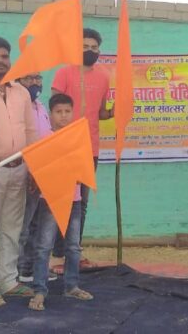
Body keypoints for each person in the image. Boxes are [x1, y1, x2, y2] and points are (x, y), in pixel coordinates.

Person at [0, 37, 38, 301]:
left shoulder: (22, 92)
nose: (0, 61)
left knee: (13, 227)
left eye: (5, 56)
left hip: (20, 166)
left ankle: (8, 280)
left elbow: (30, 130)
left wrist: (34, 167)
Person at [50, 28, 112, 265]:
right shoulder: (64, 73)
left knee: (81, 204)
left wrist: (119, 110)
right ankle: (57, 253)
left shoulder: (104, 76)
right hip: (64, 147)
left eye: (94, 47)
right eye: (85, 46)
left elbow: (102, 113)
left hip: (91, 148)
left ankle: (72, 252)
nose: (90, 50)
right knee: (61, 201)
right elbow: (55, 108)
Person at [28, 93, 94, 311]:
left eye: (67, 111)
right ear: (51, 113)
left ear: (72, 112)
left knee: (73, 246)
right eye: (59, 112)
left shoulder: (78, 137)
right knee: (43, 246)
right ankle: (39, 289)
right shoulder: (45, 138)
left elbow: (84, 167)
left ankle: (72, 286)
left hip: (74, 199)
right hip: (50, 200)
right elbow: (39, 168)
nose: (63, 116)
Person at [17, 72, 53, 282]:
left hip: (44, 174)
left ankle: (30, 269)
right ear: (18, 81)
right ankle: (18, 270)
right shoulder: (17, 106)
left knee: (36, 226)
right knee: (22, 226)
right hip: (25, 174)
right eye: (28, 78)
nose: (34, 82)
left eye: (38, 77)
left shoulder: (40, 106)